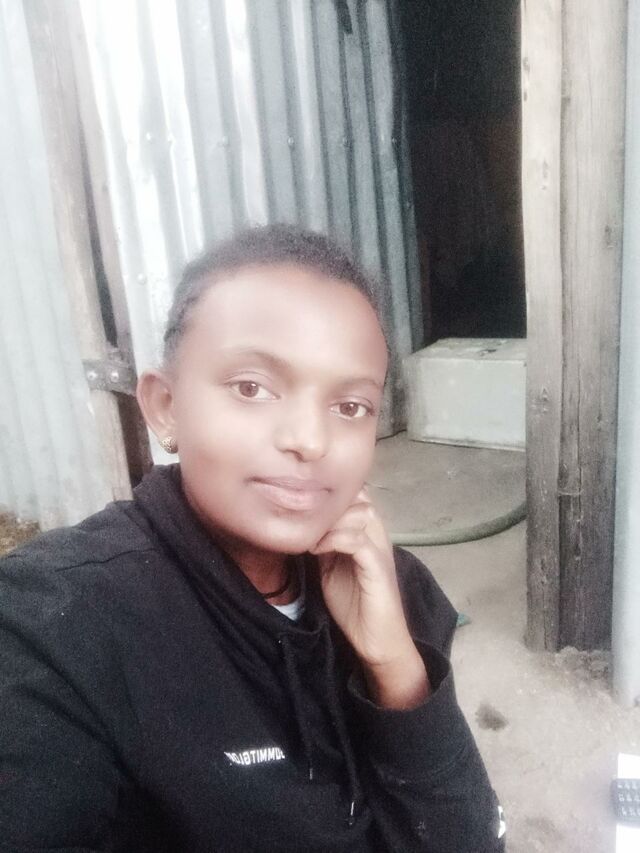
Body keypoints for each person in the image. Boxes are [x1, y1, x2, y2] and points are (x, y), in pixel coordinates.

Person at [0, 225, 505, 851]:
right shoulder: (56, 629)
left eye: (350, 407)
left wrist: (396, 669)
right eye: (252, 388)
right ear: (164, 406)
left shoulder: (396, 589)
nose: (310, 441)